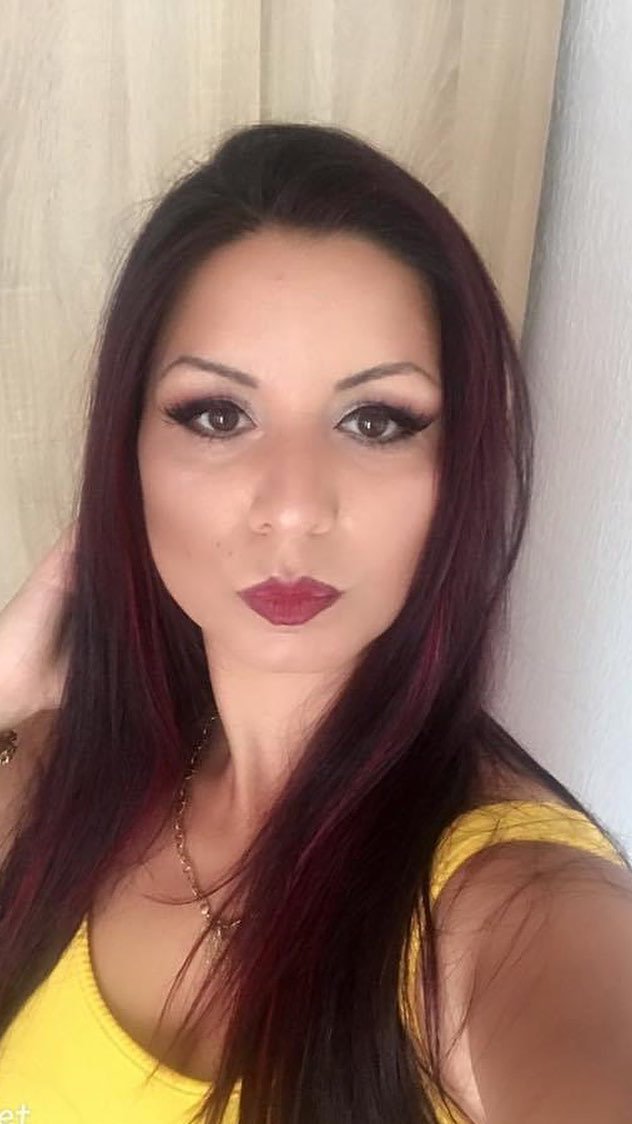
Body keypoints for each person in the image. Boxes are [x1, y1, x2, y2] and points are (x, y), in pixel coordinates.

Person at [0, 121, 631, 1124]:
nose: (293, 508)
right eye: (217, 414)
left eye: (375, 421)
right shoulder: (51, 774)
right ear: (127, 455)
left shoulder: (516, 912)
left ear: (459, 471)